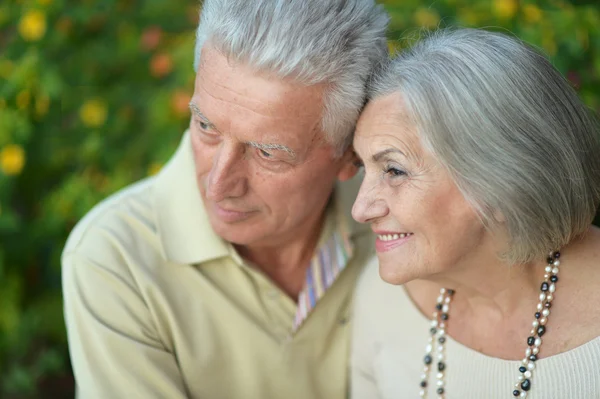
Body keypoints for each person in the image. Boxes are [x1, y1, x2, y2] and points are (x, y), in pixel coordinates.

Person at [61, 1, 388, 398]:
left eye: (268, 152)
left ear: (350, 154)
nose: (218, 185)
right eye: (206, 126)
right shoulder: (114, 258)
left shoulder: (398, 224)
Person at [350, 28, 600, 399]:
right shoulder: (382, 296)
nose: (359, 209)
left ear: (504, 181)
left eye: (395, 170)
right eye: (363, 168)